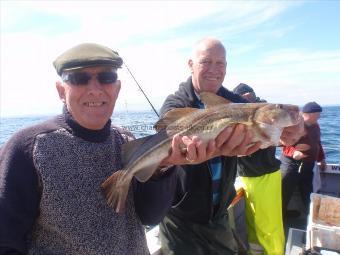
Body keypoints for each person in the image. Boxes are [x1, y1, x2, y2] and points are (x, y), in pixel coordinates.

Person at [0, 43, 218, 254]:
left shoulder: (127, 141)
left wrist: (164, 166)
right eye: (79, 78)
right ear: (60, 90)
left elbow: (150, 216)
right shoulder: (28, 148)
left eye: (106, 77)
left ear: (117, 87)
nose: (95, 89)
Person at [158, 38, 303, 255]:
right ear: (190, 64)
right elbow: (164, 148)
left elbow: (257, 148)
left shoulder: (236, 103)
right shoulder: (176, 104)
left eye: (221, 63)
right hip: (179, 219)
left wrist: (285, 134)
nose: (214, 70)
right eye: (206, 62)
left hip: (219, 215)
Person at [233, 83, 285, 255]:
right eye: (242, 99)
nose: (247, 100)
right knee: (253, 224)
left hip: (265, 176)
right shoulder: (237, 117)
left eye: (250, 96)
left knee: (269, 227)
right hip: (246, 177)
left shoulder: (267, 115)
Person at [281, 101, 326, 218]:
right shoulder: (294, 124)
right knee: (285, 189)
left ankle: (310, 216)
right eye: (318, 114)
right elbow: (282, 142)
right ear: (309, 114)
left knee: (307, 190)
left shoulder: (316, 125)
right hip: (291, 163)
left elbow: (317, 143)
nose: (319, 117)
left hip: (308, 164)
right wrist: (293, 151)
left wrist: (322, 159)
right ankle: (281, 215)